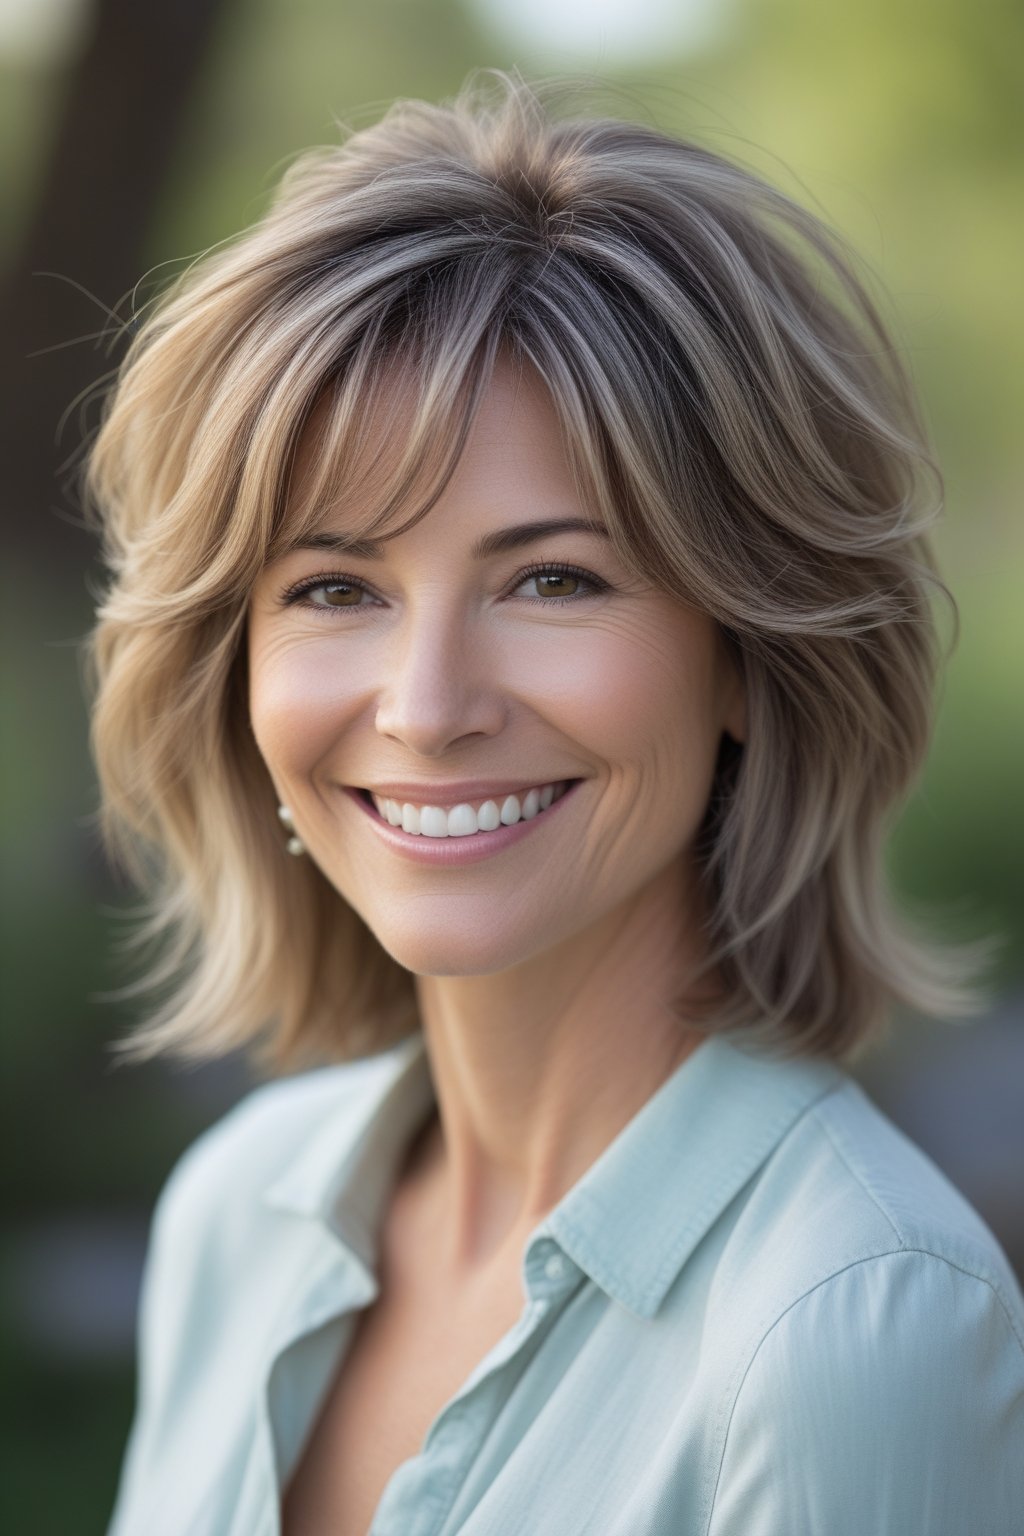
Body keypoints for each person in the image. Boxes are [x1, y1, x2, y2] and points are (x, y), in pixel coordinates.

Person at [86, 71, 1023, 1536]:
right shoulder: (237, 1212)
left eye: (553, 580)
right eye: (335, 588)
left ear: (747, 652)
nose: (427, 703)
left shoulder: (848, 1325)